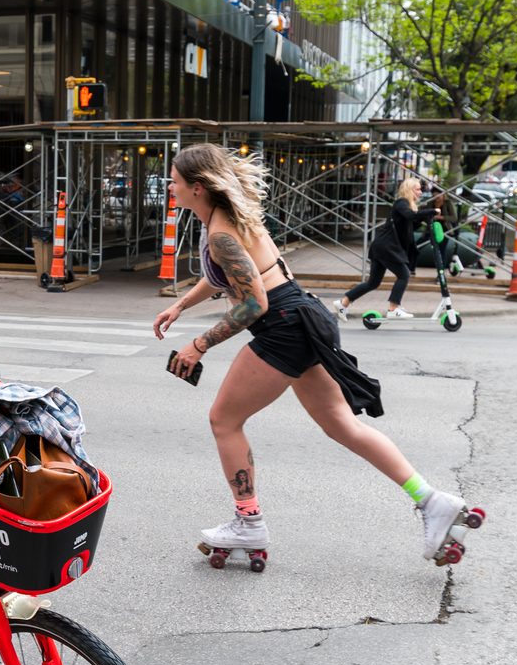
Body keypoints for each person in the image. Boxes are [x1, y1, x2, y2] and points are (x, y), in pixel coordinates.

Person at [153, 143, 469, 563]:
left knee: (224, 420)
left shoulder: (221, 234)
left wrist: (199, 344)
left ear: (196, 187)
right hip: (304, 316)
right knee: (342, 425)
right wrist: (180, 305)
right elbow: (226, 278)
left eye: (173, 181)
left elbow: (253, 304)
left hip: (283, 325)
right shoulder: (230, 217)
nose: (169, 187)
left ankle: (248, 522)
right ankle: (431, 501)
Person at [334, 177, 440, 321]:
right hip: (386, 247)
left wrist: (424, 219)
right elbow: (410, 216)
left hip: (382, 247)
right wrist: (431, 211)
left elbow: (410, 223)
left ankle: (343, 303)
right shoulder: (401, 203)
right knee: (404, 275)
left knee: (373, 282)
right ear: (409, 190)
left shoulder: (406, 206)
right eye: (417, 189)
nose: (420, 192)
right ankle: (394, 308)